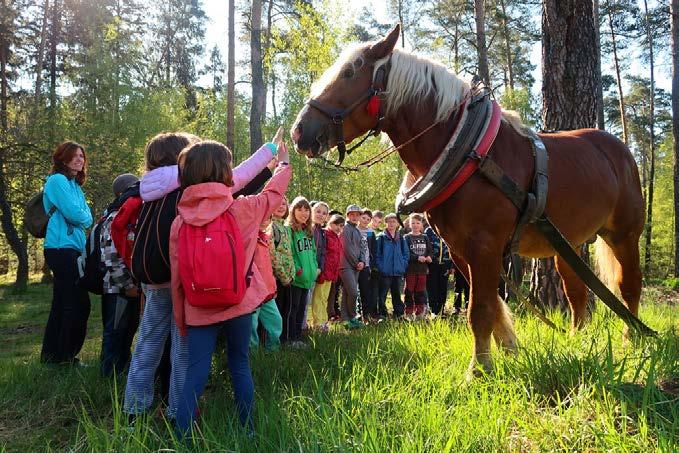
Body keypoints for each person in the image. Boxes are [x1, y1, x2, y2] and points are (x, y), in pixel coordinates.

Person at [124, 130, 279, 421]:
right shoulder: (187, 182)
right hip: (185, 278)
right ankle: (177, 410)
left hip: (152, 277)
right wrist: (270, 151)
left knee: (148, 340)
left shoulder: (148, 187)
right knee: (182, 347)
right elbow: (240, 178)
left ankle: (134, 408)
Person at [171, 139, 291, 436]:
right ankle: (248, 430)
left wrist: (181, 320)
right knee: (239, 363)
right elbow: (273, 194)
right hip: (239, 302)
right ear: (225, 171)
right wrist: (285, 165)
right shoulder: (244, 209)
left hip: (198, 308)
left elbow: (177, 280)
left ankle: (181, 437)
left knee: (195, 373)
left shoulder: (179, 223)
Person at [41, 141, 93, 366]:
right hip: (61, 249)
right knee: (78, 304)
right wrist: (81, 215)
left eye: (82, 156)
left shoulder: (75, 185)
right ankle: (66, 357)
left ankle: (52, 357)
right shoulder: (57, 181)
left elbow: (87, 216)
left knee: (62, 302)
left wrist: (82, 215)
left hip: (72, 248)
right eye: (74, 156)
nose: (79, 160)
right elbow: (77, 215)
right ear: (63, 158)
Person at [99, 173, 141, 377]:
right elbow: (111, 255)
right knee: (115, 332)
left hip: (132, 287)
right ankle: (109, 376)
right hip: (117, 288)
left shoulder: (134, 212)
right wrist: (128, 285)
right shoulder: (115, 215)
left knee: (128, 332)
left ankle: (123, 370)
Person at [283, 196, 318, 346]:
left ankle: (297, 337)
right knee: (292, 309)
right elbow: (288, 252)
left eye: (306, 210)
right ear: (293, 211)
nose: (303, 213)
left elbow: (313, 253)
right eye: (299, 209)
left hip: (307, 279)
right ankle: (288, 339)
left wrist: (315, 268)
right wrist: (298, 270)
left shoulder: (308, 231)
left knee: (301, 309)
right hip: (296, 278)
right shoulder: (289, 230)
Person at [250, 218, 283, 351]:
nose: (264, 221)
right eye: (262, 217)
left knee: (276, 321)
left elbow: (268, 267)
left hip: (268, 293)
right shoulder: (250, 238)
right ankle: (252, 356)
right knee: (251, 326)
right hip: (253, 293)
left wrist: (273, 287)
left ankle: (272, 351)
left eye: (268, 218)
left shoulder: (266, 239)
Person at [310, 214, 344, 331]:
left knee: (324, 298)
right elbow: (322, 254)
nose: (338, 228)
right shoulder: (325, 235)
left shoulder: (336, 237)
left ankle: (323, 321)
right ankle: (318, 323)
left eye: (341, 226)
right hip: (324, 271)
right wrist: (321, 269)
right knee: (318, 298)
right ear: (330, 222)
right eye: (335, 224)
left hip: (332, 272)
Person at [375, 213, 409, 319]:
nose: (391, 224)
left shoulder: (401, 238)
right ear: (385, 223)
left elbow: (406, 254)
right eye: (389, 222)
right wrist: (381, 267)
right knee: (382, 294)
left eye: (394, 221)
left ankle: (399, 313)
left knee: (397, 293)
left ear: (398, 224)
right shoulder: (381, 237)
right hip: (385, 271)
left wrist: (403, 265)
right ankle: (382, 314)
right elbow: (377, 254)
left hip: (398, 271)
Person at [340, 204, 367, 328]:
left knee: (347, 293)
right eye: (352, 214)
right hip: (346, 266)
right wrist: (356, 262)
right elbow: (347, 248)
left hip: (356, 266)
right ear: (347, 216)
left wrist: (362, 261)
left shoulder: (357, 230)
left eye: (357, 215)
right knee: (353, 292)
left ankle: (346, 319)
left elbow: (362, 247)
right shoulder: (345, 229)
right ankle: (352, 316)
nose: (355, 217)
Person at [305, 202, 329, 329]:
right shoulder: (308, 229)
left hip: (316, 270)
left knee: (310, 299)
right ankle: (301, 326)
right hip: (306, 269)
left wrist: (320, 267)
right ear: (312, 211)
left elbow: (323, 252)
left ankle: (310, 325)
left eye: (324, 213)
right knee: (304, 300)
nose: (320, 215)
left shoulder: (322, 232)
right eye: (318, 211)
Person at [403, 213, 432, 318]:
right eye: (413, 223)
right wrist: (416, 257)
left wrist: (429, 257)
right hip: (410, 269)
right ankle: (408, 312)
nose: (415, 225)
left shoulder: (425, 237)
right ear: (409, 224)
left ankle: (419, 312)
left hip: (423, 270)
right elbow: (405, 253)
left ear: (421, 225)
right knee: (409, 291)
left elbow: (430, 251)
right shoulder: (406, 237)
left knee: (420, 291)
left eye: (417, 223)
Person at [425, 225, 453, 316]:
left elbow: (453, 249)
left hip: (446, 264)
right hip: (432, 264)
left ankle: (441, 309)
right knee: (432, 286)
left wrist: (452, 266)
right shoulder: (429, 230)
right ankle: (433, 309)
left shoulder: (450, 229)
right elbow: (425, 248)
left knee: (443, 287)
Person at [357, 209, 379, 321]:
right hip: (353, 265)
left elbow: (374, 250)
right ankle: (355, 315)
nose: (365, 221)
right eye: (363, 218)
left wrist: (372, 265)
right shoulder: (353, 230)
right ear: (359, 217)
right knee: (353, 292)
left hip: (366, 266)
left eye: (368, 219)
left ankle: (366, 315)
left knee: (365, 291)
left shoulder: (371, 233)